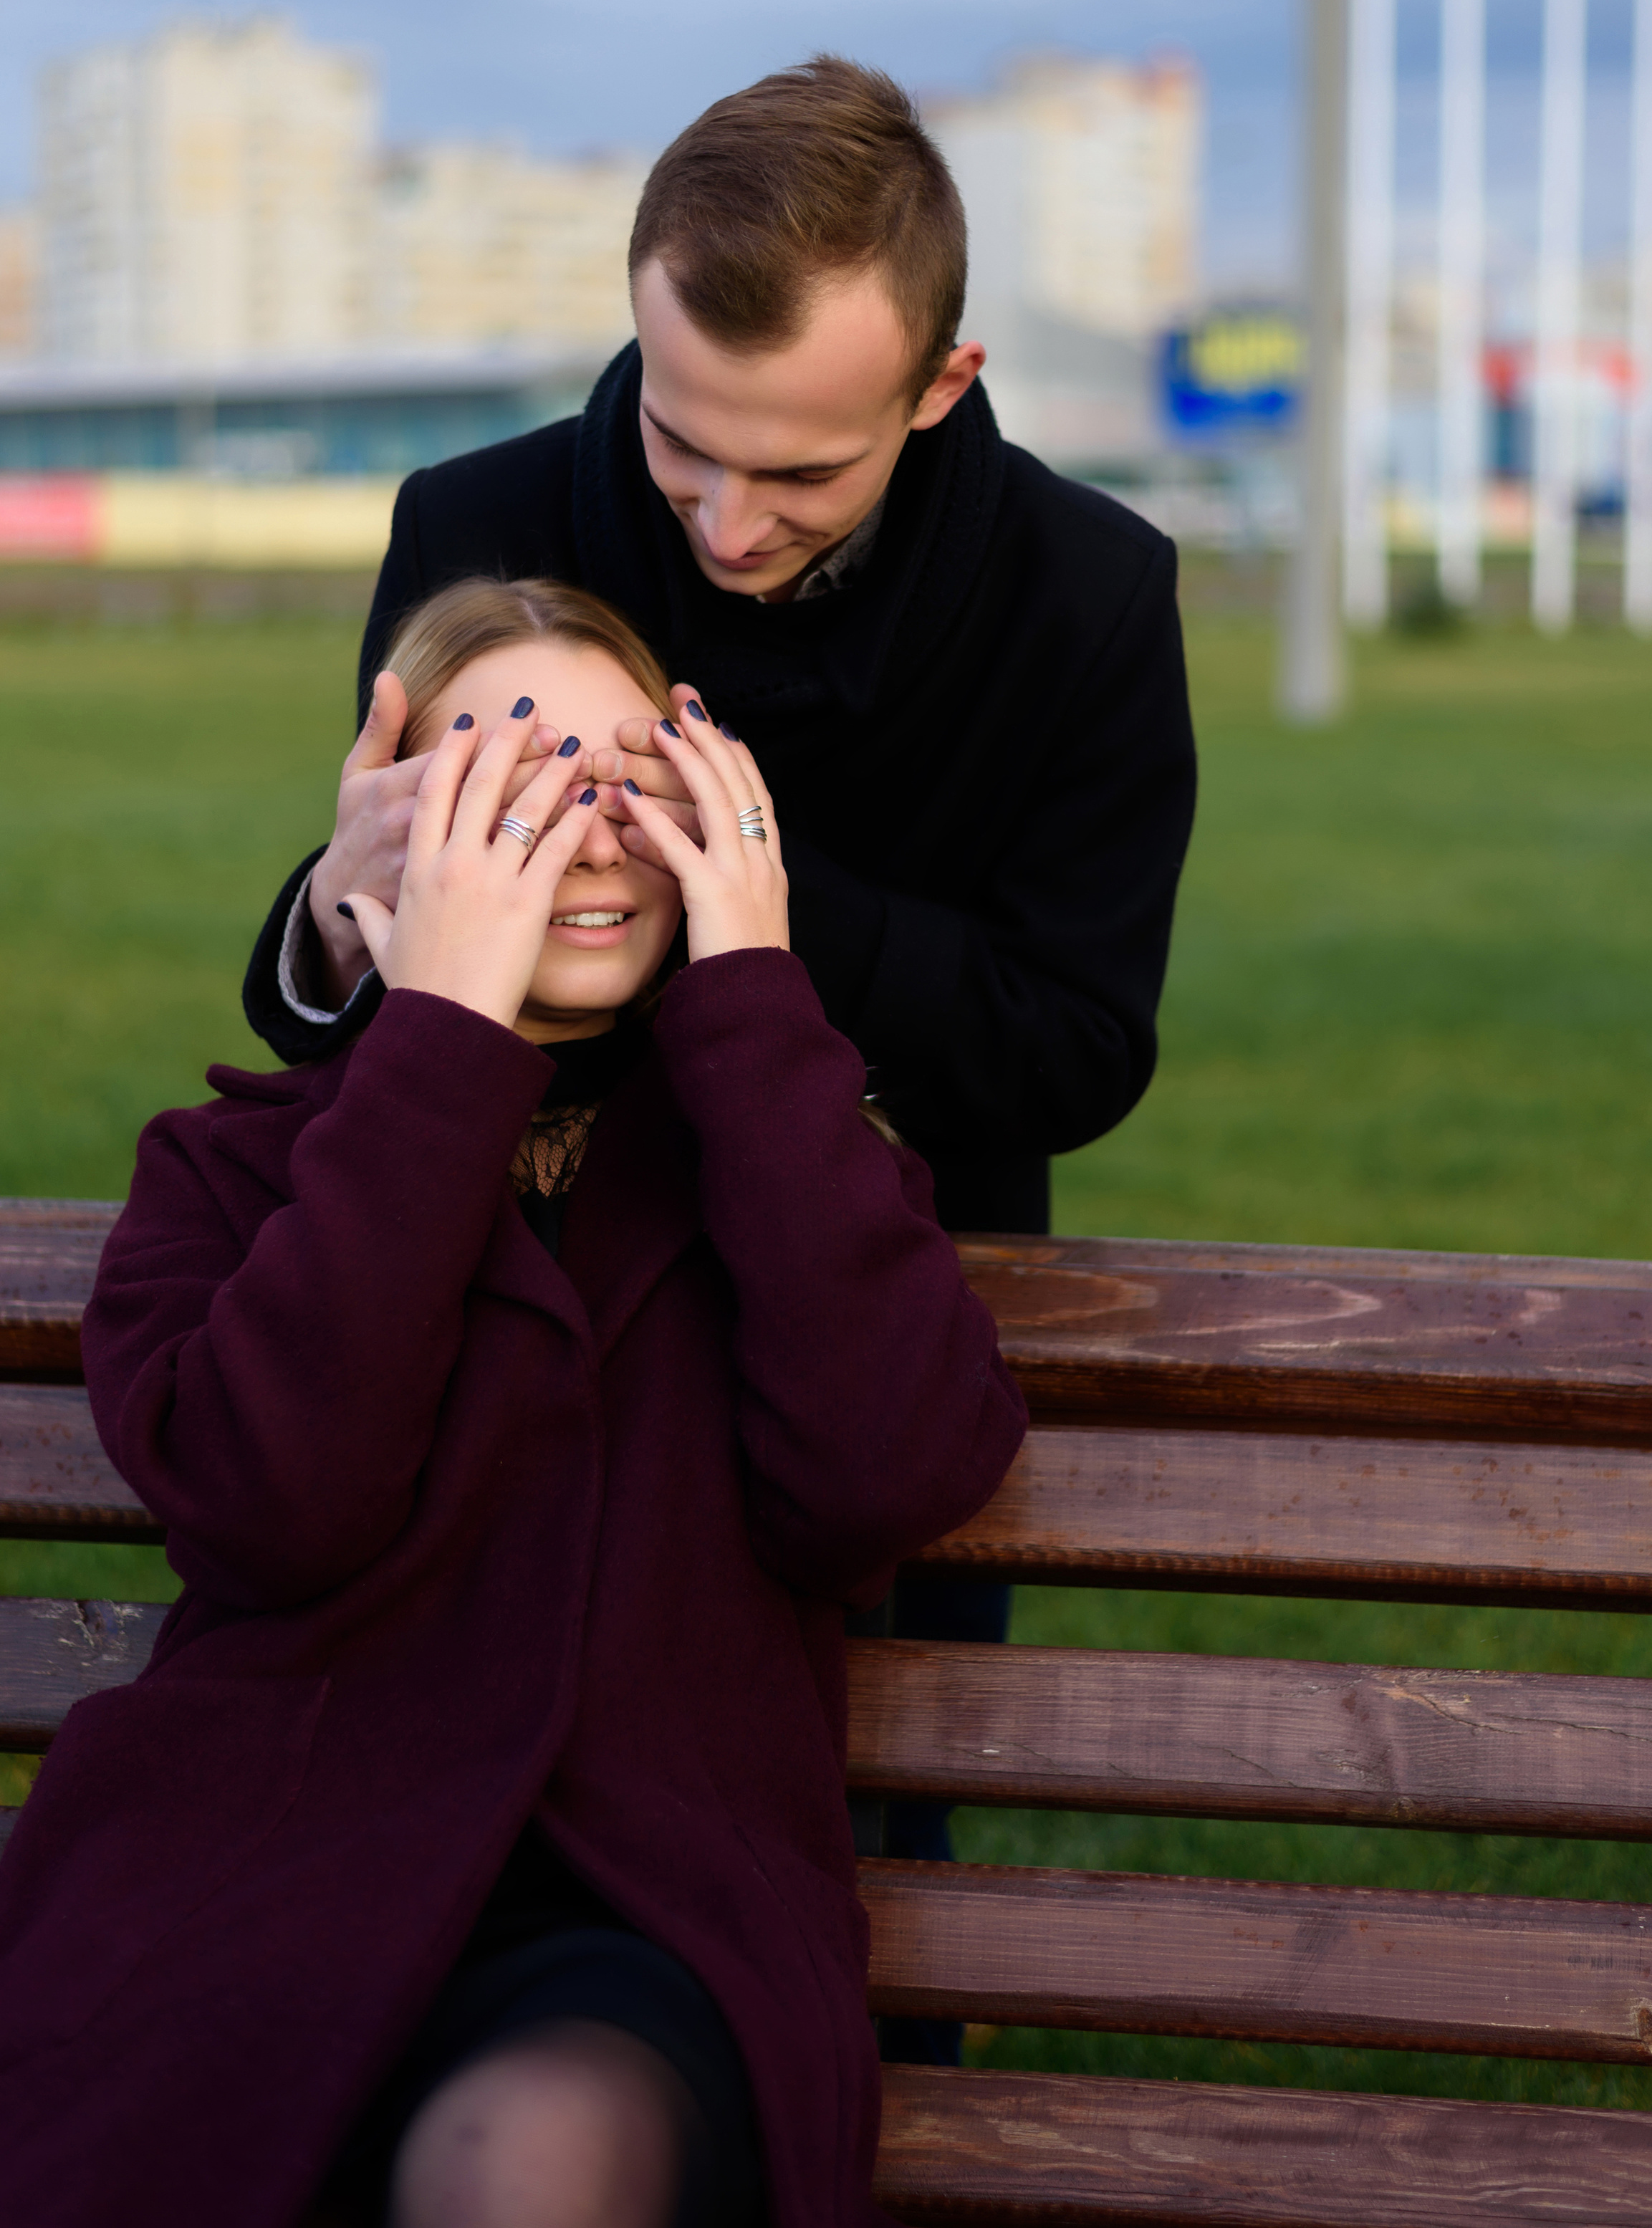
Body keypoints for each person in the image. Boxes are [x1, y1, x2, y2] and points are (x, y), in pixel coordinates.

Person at [240, 53, 1196, 2012]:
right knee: (424, 1906)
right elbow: (388, 1022)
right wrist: (340, 916)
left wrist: (749, 893)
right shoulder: (478, 516)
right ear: (639, 325)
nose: (728, 517)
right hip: (505, 1341)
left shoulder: (1087, 593)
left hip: (866, 1343)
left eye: (805, 469)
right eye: (685, 442)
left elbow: (1077, 1050)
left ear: (942, 383)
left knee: (854, 1930)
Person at [0, 578, 1027, 2228]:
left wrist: (757, 991)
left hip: (646, 1914)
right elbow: (282, 1506)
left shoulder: (789, 1166)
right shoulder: (225, 1173)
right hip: (253, 1868)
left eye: (632, 778)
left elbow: (885, 1479)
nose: (589, 834)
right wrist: (441, 1040)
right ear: (383, 836)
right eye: (512, 793)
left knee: (528, 2165)